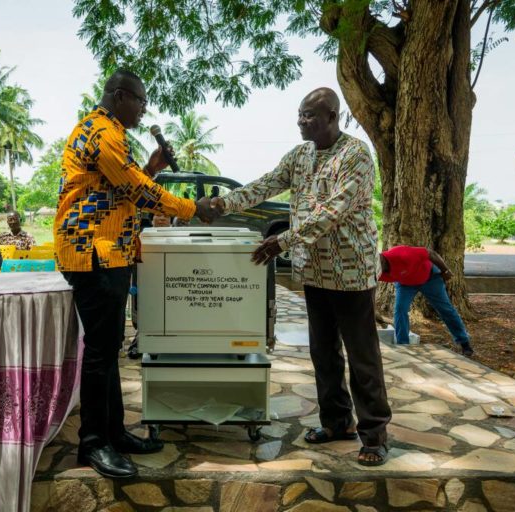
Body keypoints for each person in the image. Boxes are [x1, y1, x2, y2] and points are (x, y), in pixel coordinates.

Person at [210, 88, 391, 466]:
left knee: (363, 358)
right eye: (299, 114)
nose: (301, 121)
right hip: (314, 272)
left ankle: (374, 435)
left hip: (351, 273)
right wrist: (221, 205)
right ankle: (336, 422)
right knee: (323, 354)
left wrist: (283, 241)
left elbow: (332, 212)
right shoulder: (300, 155)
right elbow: (266, 184)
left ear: (332, 117)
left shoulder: (355, 155)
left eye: (309, 115)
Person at [54, 69, 217, 479]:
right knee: (100, 353)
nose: (144, 110)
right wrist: (192, 208)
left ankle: (114, 432)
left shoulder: (108, 132)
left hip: (110, 250)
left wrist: (150, 167)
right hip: (93, 250)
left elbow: (120, 186)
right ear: (121, 95)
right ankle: (92, 444)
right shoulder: (102, 132)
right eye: (141, 101)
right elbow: (138, 192)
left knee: (108, 349)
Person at [378, 245, 474, 357]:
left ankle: (464, 342)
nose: (378, 272)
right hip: (405, 284)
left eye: (379, 269)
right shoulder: (374, 271)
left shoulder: (402, 254)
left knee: (445, 309)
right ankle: (403, 346)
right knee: (400, 310)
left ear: (382, 261)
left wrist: (445, 270)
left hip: (430, 278)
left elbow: (431, 253)